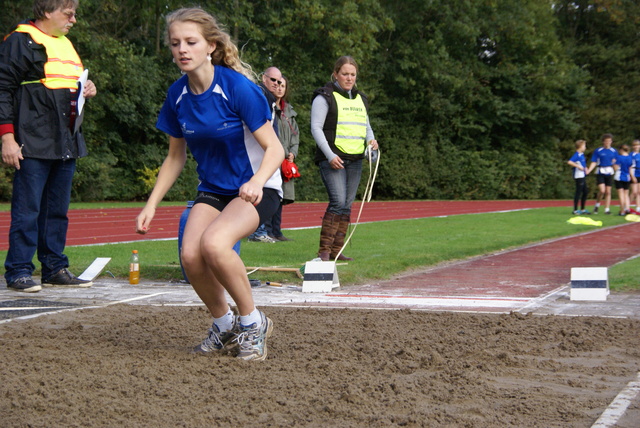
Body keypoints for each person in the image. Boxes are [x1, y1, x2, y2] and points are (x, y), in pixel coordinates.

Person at [135, 8, 284, 361]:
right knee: (190, 255)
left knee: (215, 245)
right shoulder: (177, 95)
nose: (182, 50)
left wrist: (257, 181)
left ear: (210, 46)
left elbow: (275, 149)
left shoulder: (238, 88)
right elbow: (175, 157)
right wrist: (151, 203)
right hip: (215, 188)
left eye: (191, 42)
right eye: (175, 44)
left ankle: (253, 323)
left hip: (258, 186)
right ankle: (223, 324)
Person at [1, 0, 97, 293]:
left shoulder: (65, 44)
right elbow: (2, 90)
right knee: (28, 209)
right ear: (46, 12)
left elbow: (65, 86)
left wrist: (87, 88)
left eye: (75, 14)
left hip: (66, 140)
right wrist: (7, 138)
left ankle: (54, 267)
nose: (74, 20)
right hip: (31, 139)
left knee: (57, 210)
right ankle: (18, 270)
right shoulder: (19, 42)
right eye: (68, 14)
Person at [311, 56, 379, 261]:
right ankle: (324, 250)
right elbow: (315, 128)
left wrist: (372, 141)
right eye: (345, 74)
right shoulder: (324, 97)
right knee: (338, 201)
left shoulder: (361, 99)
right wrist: (330, 155)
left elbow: (366, 127)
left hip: (355, 159)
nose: (349, 78)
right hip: (333, 158)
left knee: (347, 204)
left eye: (352, 74)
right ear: (335, 74)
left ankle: (336, 251)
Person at [247, 66, 283, 244]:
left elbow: (275, 145)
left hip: (265, 174)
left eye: (279, 81)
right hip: (253, 170)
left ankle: (261, 230)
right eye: (273, 80)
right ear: (263, 78)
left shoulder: (270, 101)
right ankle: (259, 231)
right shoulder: (259, 96)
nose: (277, 84)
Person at [268, 76, 299, 241]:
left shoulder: (290, 112)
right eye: (277, 84)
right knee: (269, 193)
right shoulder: (266, 106)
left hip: (286, 161)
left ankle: (276, 230)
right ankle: (264, 231)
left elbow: (296, 135)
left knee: (281, 196)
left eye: (283, 85)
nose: (279, 88)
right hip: (271, 157)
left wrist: (293, 152)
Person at [587, 133, 617, 214]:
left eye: (609, 141)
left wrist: (616, 168)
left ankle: (607, 209)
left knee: (608, 191)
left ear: (611, 142)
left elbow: (616, 163)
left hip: (609, 171)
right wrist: (589, 170)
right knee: (602, 190)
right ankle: (597, 204)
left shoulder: (614, 151)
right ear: (603, 142)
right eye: (606, 141)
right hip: (600, 171)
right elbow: (594, 161)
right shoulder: (598, 151)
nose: (607, 143)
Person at [567, 139, 590, 215]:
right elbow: (570, 162)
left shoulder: (582, 155)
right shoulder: (576, 155)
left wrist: (585, 168)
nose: (585, 147)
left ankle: (583, 209)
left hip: (582, 175)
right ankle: (575, 210)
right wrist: (578, 166)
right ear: (580, 146)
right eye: (584, 146)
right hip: (578, 176)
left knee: (585, 191)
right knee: (578, 192)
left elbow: (583, 164)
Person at [613, 144, 636, 216]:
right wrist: (632, 177)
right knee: (626, 194)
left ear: (621, 150)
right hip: (627, 177)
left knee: (621, 194)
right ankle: (627, 208)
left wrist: (613, 163)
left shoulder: (619, 157)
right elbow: (630, 169)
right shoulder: (630, 158)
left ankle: (622, 210)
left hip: (619, 177)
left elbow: (616, 168)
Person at [630, 139, 640, 214]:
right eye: (634, 145)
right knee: (634, 192)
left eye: (637, 145)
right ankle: (627, 206)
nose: (636, 147)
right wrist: (632, 175)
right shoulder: (631, 155)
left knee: (639, 192)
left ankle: (638, 207)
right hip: (634, 173)